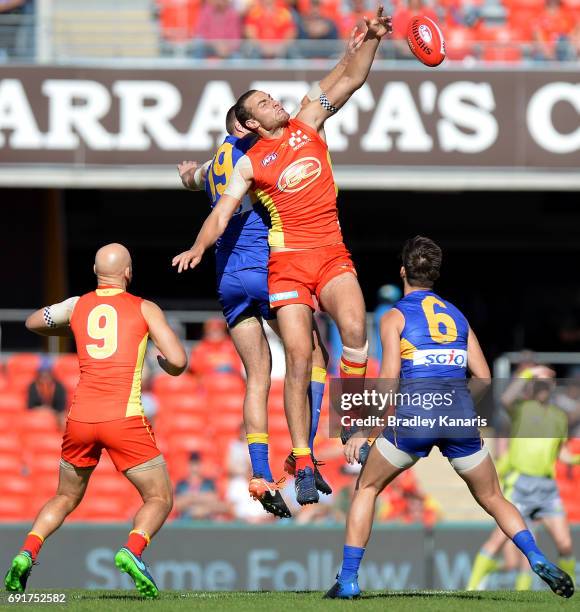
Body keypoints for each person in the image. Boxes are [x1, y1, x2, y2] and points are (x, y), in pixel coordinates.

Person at [173, 6, 393, 506]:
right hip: (286, 263)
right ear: (249, 122)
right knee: (299, 358)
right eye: (264, 102)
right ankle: (304, 459)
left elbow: (351, 79)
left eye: (273, 97)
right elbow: (222, 212)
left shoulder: (307, 121)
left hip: (330, 252)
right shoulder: (248, 163)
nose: (275, 102)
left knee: (355, 333)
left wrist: (373, 40)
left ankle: (351, 428)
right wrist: (198, 246)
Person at [325, 236, 574, 599]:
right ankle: (536, 556)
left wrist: (364, 429)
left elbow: (390, 379)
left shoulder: (394, 316)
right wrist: (456, 406)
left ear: (402, 272)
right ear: (435, 275)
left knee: (367, 487)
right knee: (493, 497)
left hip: (415, 418)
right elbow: (485, 377)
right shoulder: (457, 315)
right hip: (458, 415)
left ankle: (347, 580)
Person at [4, 243, 187, 599]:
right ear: (128, 272)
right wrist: (165, 365)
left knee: (65, 495)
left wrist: (70, 331)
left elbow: (32, 322)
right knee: (159, 497)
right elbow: (178, 361)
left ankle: (27, 551)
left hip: (80, 419)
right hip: (124, 418)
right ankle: (132, 550)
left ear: (94, 270)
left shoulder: (76, 305)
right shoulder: (145, 308)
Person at [467, 367, 580, 591]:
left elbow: (562, 454)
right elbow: (506, 398)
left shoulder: (559, 417)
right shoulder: (520, 408)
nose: (542, 386)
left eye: (547, 382)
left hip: (547, 488)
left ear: (553, 386)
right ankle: (471, 588)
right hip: (520, 484)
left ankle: (571, 592)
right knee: (499, 541)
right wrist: (529, 373)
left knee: (565, 544)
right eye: (538, 383)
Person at [174, 452, 229, 520]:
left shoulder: (208, 483)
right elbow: (178, 504)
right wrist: (201, 498)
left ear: (201, 465)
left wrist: (191, 499)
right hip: (186, 522)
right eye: (192, 464)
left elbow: (214, 500)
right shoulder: (181, 484)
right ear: (188, 466)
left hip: (206, 521)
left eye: (197, 464)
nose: (194, 468)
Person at [27, 358, 67, 424]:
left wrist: (50, 412)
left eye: (47, 372)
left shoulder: (59, 386)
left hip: (55, 415)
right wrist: (42, 410)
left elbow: (61, 408)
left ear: (51, 373)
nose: (44, 375)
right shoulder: (33, 386)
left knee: (63, 419)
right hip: (37, 415)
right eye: (42, 372)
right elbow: (30, 407)